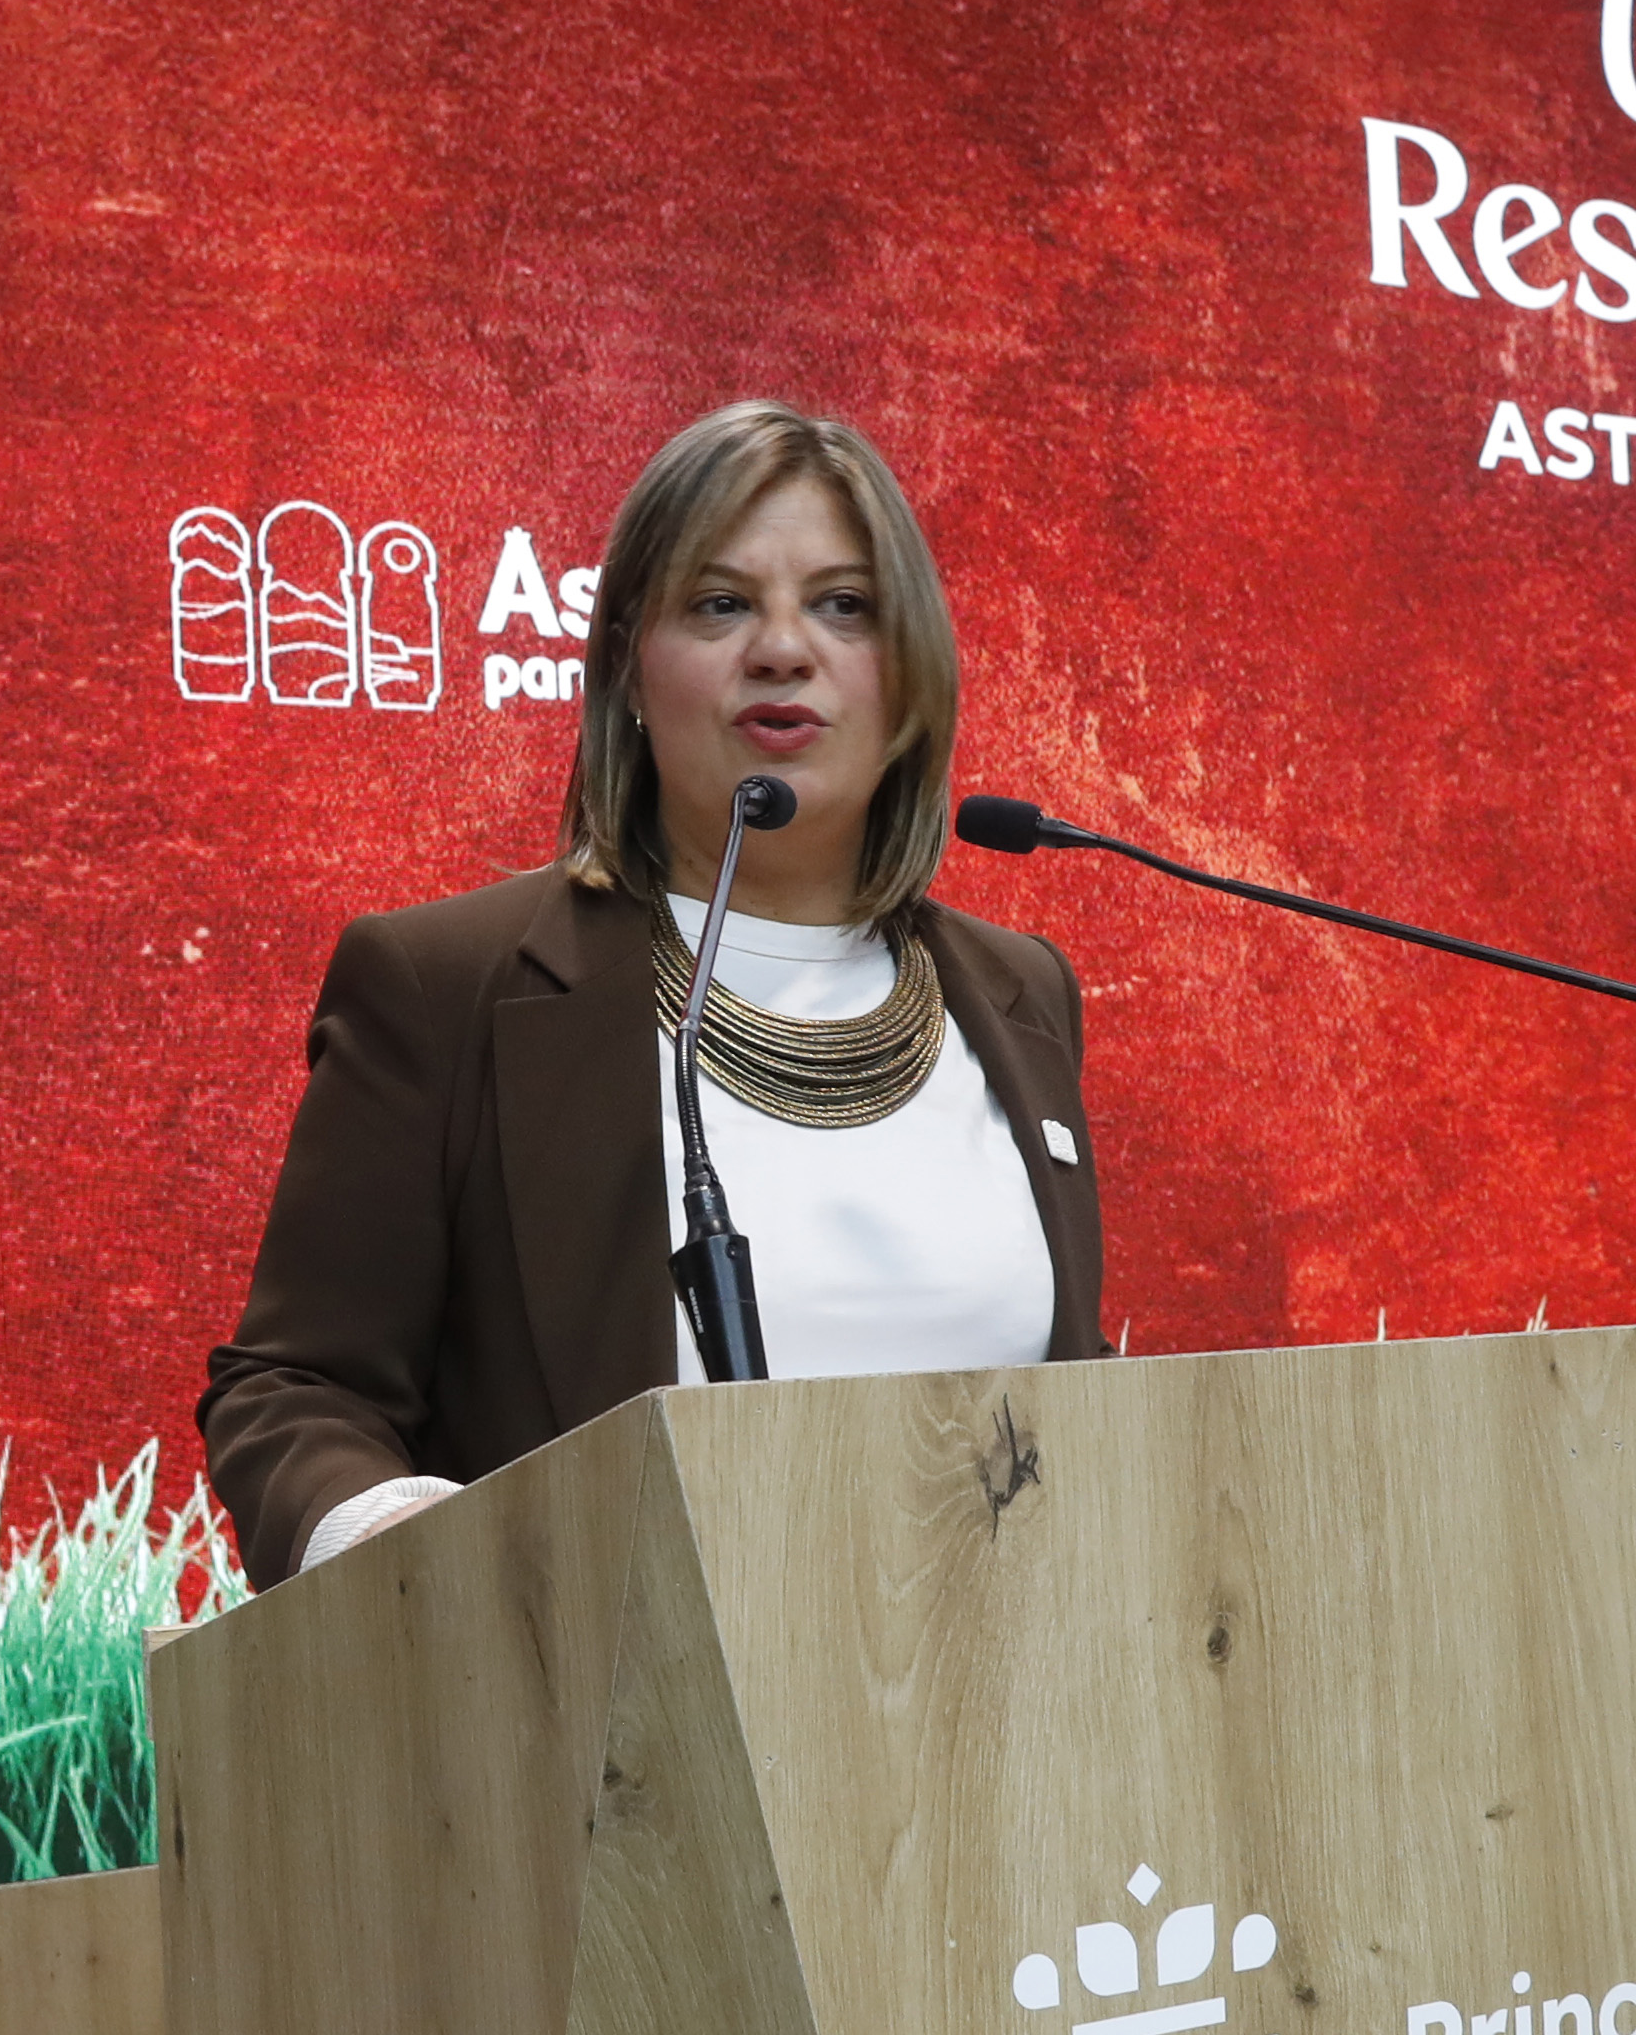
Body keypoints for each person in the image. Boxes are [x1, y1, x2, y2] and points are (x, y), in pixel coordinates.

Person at [204, 402, 1106, 1579]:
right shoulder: (447, 986)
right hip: (608, 1688)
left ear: (915, 677)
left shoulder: (1023, 995)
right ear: (631, 665)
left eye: (844, 604)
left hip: (1006, 1686)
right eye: (720, 604)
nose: (782, 649)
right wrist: (408, 1557)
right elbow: (296, 1391)